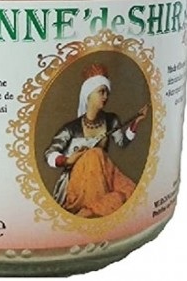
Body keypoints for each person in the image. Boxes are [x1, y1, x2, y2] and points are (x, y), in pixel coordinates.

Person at [45, 63, 148, 218]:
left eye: (107, 92)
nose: (106, 97)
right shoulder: (71, 128)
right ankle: (89, 210)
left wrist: (136, 122)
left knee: (130, 192)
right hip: (79, 180)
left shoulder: (111, 120)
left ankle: (91, 211)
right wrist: (67, 160)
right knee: (94, 154)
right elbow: (50, 153)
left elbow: (122, 143)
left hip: (105, 172)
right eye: (101, 92)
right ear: (88, 94)